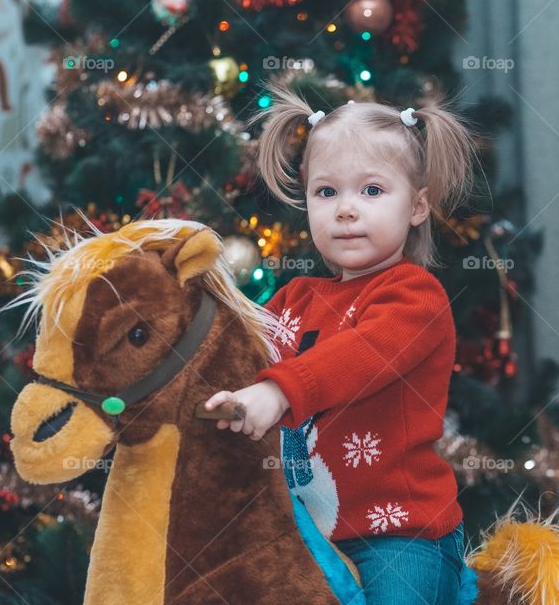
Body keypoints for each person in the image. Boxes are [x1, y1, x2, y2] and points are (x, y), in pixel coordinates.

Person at [204, 82, 477, 605]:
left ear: (417, 207)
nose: (346, 210)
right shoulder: (293, 298)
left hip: (398, 532)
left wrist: (278, 391)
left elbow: (361, 356)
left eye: (372, 191)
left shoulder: (415, 297)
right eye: (327, 193)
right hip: (300, 525)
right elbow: (239, 353)